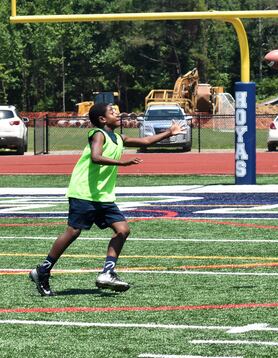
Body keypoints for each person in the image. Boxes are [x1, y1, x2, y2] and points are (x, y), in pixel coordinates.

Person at [29, 103, 187, 296]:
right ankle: (43, 270)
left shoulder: (119, 138)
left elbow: (145, 141)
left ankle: (107, 272)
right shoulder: (98, 134)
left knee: (122, 231)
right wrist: (123, 162)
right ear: (102, 119)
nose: (116, 113)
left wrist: (170, 132)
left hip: (102, 195)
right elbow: (96, 157)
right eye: (112, 112)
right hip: (83, 192)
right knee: (73, 231)